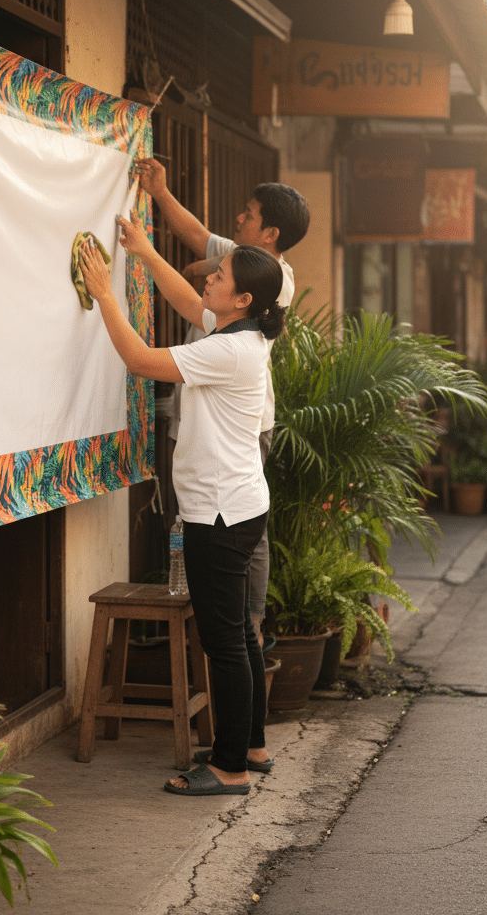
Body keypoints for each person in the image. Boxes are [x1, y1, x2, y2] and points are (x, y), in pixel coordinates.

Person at [79, 213, 286, 797]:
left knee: (223, 643)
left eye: (217, 278)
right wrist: (143, 251)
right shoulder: (236, 332)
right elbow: (181, 293)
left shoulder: (231, 350)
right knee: (239, 636)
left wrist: (103, 296)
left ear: (242, 298)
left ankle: (229, 769)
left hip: (219, 513)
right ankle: (251, 746)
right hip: (237, 504)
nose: (207, 281)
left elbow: (142, 362)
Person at [134, 157, 310, 646]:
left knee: (240, 528)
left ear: (270, 232)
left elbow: (190, 289)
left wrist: (112, 294)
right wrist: (162, 195)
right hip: (202, 405)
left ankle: (247, 625)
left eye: (249, 215)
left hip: (238, 420)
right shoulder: (243, 263)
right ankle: (218, 623)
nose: (239, 220)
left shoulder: (270, 276)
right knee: (199, 522)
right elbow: (196, 244)